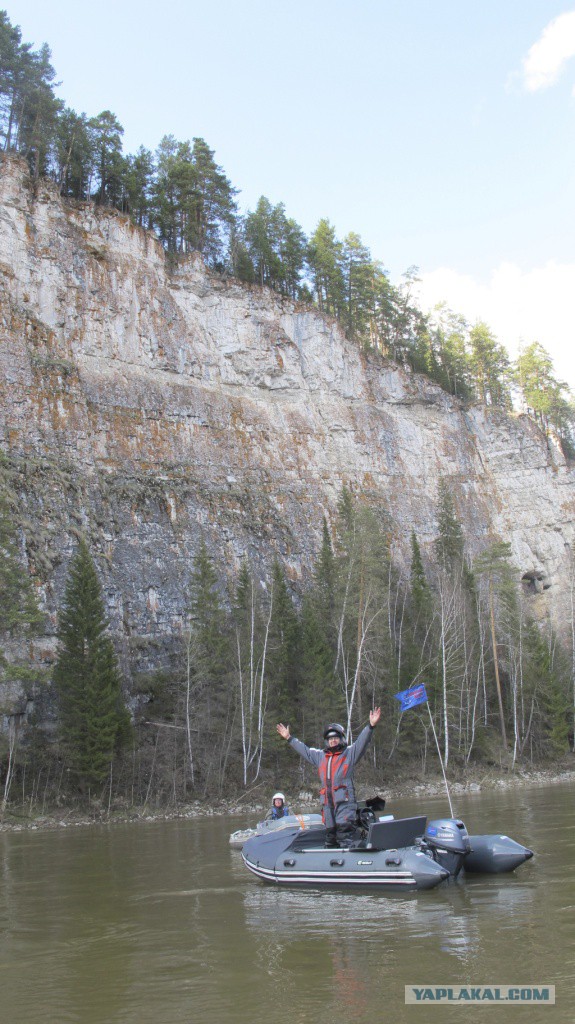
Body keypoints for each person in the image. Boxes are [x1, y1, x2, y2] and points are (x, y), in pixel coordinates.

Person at [276, 708, 381, 847]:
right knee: (330, 835)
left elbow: (362, 742)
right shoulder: (320, 756)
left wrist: (371, 726)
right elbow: (305, 750)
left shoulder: (349, 754)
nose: (333, 741)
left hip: (344, 802)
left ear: (341, 739)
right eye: (330, 739)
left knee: (344, 833)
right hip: (327, 803)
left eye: (335, 738)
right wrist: (289, 738)